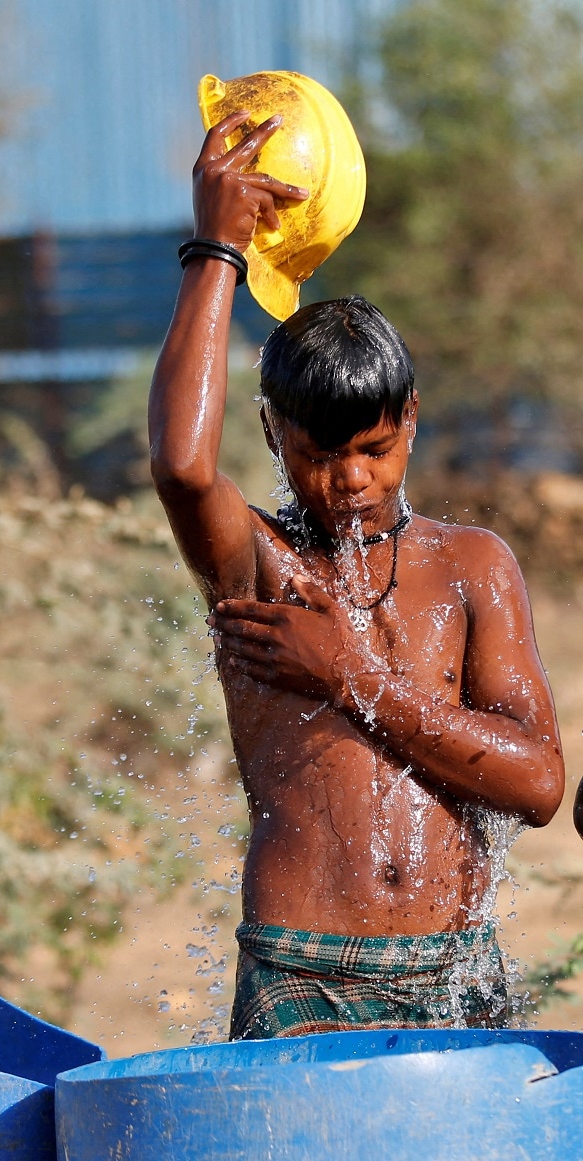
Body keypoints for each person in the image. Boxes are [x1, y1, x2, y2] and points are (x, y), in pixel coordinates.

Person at [149, 112, 565, 1039]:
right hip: (302, 969)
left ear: (411, 418)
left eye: (374, 450)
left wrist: (353, 674)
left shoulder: (471, 567)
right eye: (318, 454)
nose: (350, 481)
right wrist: (215, 248)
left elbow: (538, 784)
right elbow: (180, 466)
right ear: (271, 436)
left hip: (452, 966)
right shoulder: (260, 564)